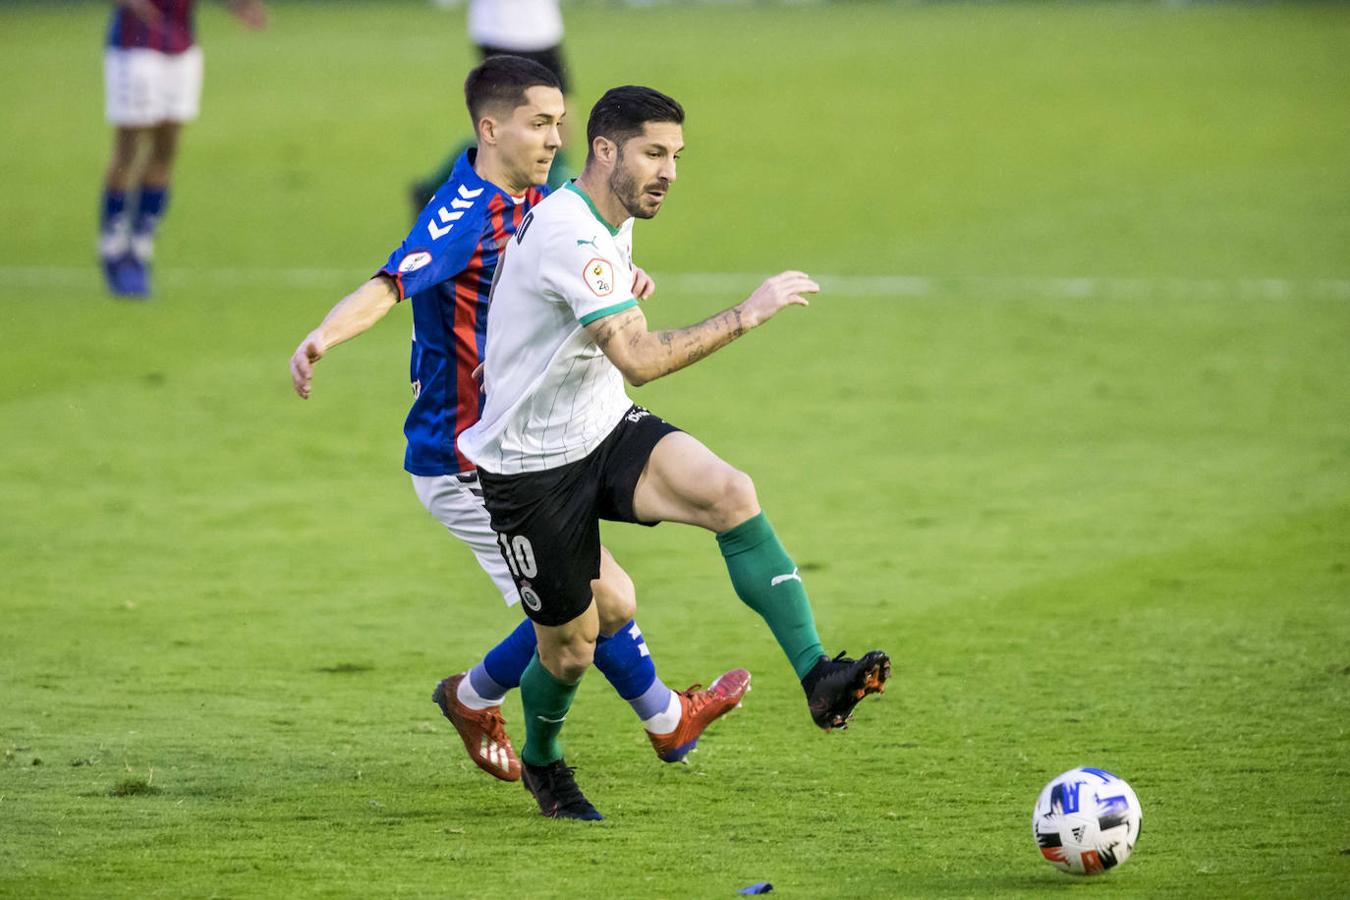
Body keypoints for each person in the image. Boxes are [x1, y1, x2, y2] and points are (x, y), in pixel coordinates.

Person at [288, 57, 748, 795]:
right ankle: (504, 705)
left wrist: (620, 284)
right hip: (467, 458)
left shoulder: (541, 198)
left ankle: (647, 718)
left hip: (524, 442)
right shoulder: (463, 212)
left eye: (560, 122)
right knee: (591, 612)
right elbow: (387, 284)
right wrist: (322, 337)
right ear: (489, 128)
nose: (555, 137)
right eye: (540, 124)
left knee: (602, 605)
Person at [458, 85, 891, 821]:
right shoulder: (573, 233)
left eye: (677, 157)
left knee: (729, 491)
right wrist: (746, 315)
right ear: (605, 151)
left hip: (599, 428)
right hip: (529, 470)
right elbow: (639, 357)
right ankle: (543, 761)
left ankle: (818, 674)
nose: (669, 171)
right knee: (570, 648)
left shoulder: (607, 216)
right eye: (654, 154)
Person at [99, 0, 266, 298]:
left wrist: (240, 7)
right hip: (135, 45)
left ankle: (139, 249)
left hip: (180, 46)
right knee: (129, 149)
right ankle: (113, 248)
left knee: (166, 149)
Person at [411, 0, 573, 215]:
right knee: (521, 127)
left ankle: (432, 186)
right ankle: (551, 205)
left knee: (556, 124)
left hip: (542, 27)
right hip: (504, 29)